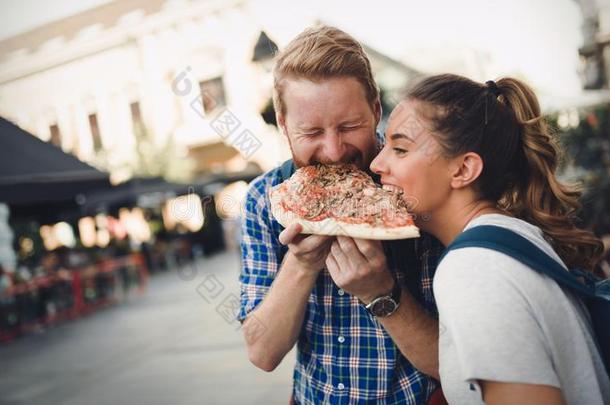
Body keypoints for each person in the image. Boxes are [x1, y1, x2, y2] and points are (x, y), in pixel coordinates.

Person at [370, 73, 610, 404]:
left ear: (463, 170)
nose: (376, 163)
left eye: (399, 148)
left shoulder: (472, 270)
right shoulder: (511, 233)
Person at [238, 26, 445, 404]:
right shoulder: (263, 200)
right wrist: (301, 264)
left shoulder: (417, 185)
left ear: (376, 110)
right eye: (311, 132)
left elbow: (453, 363)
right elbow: (262, 353)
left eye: (349, 126)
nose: (333, 151)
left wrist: (382, 293)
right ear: (284, 125)